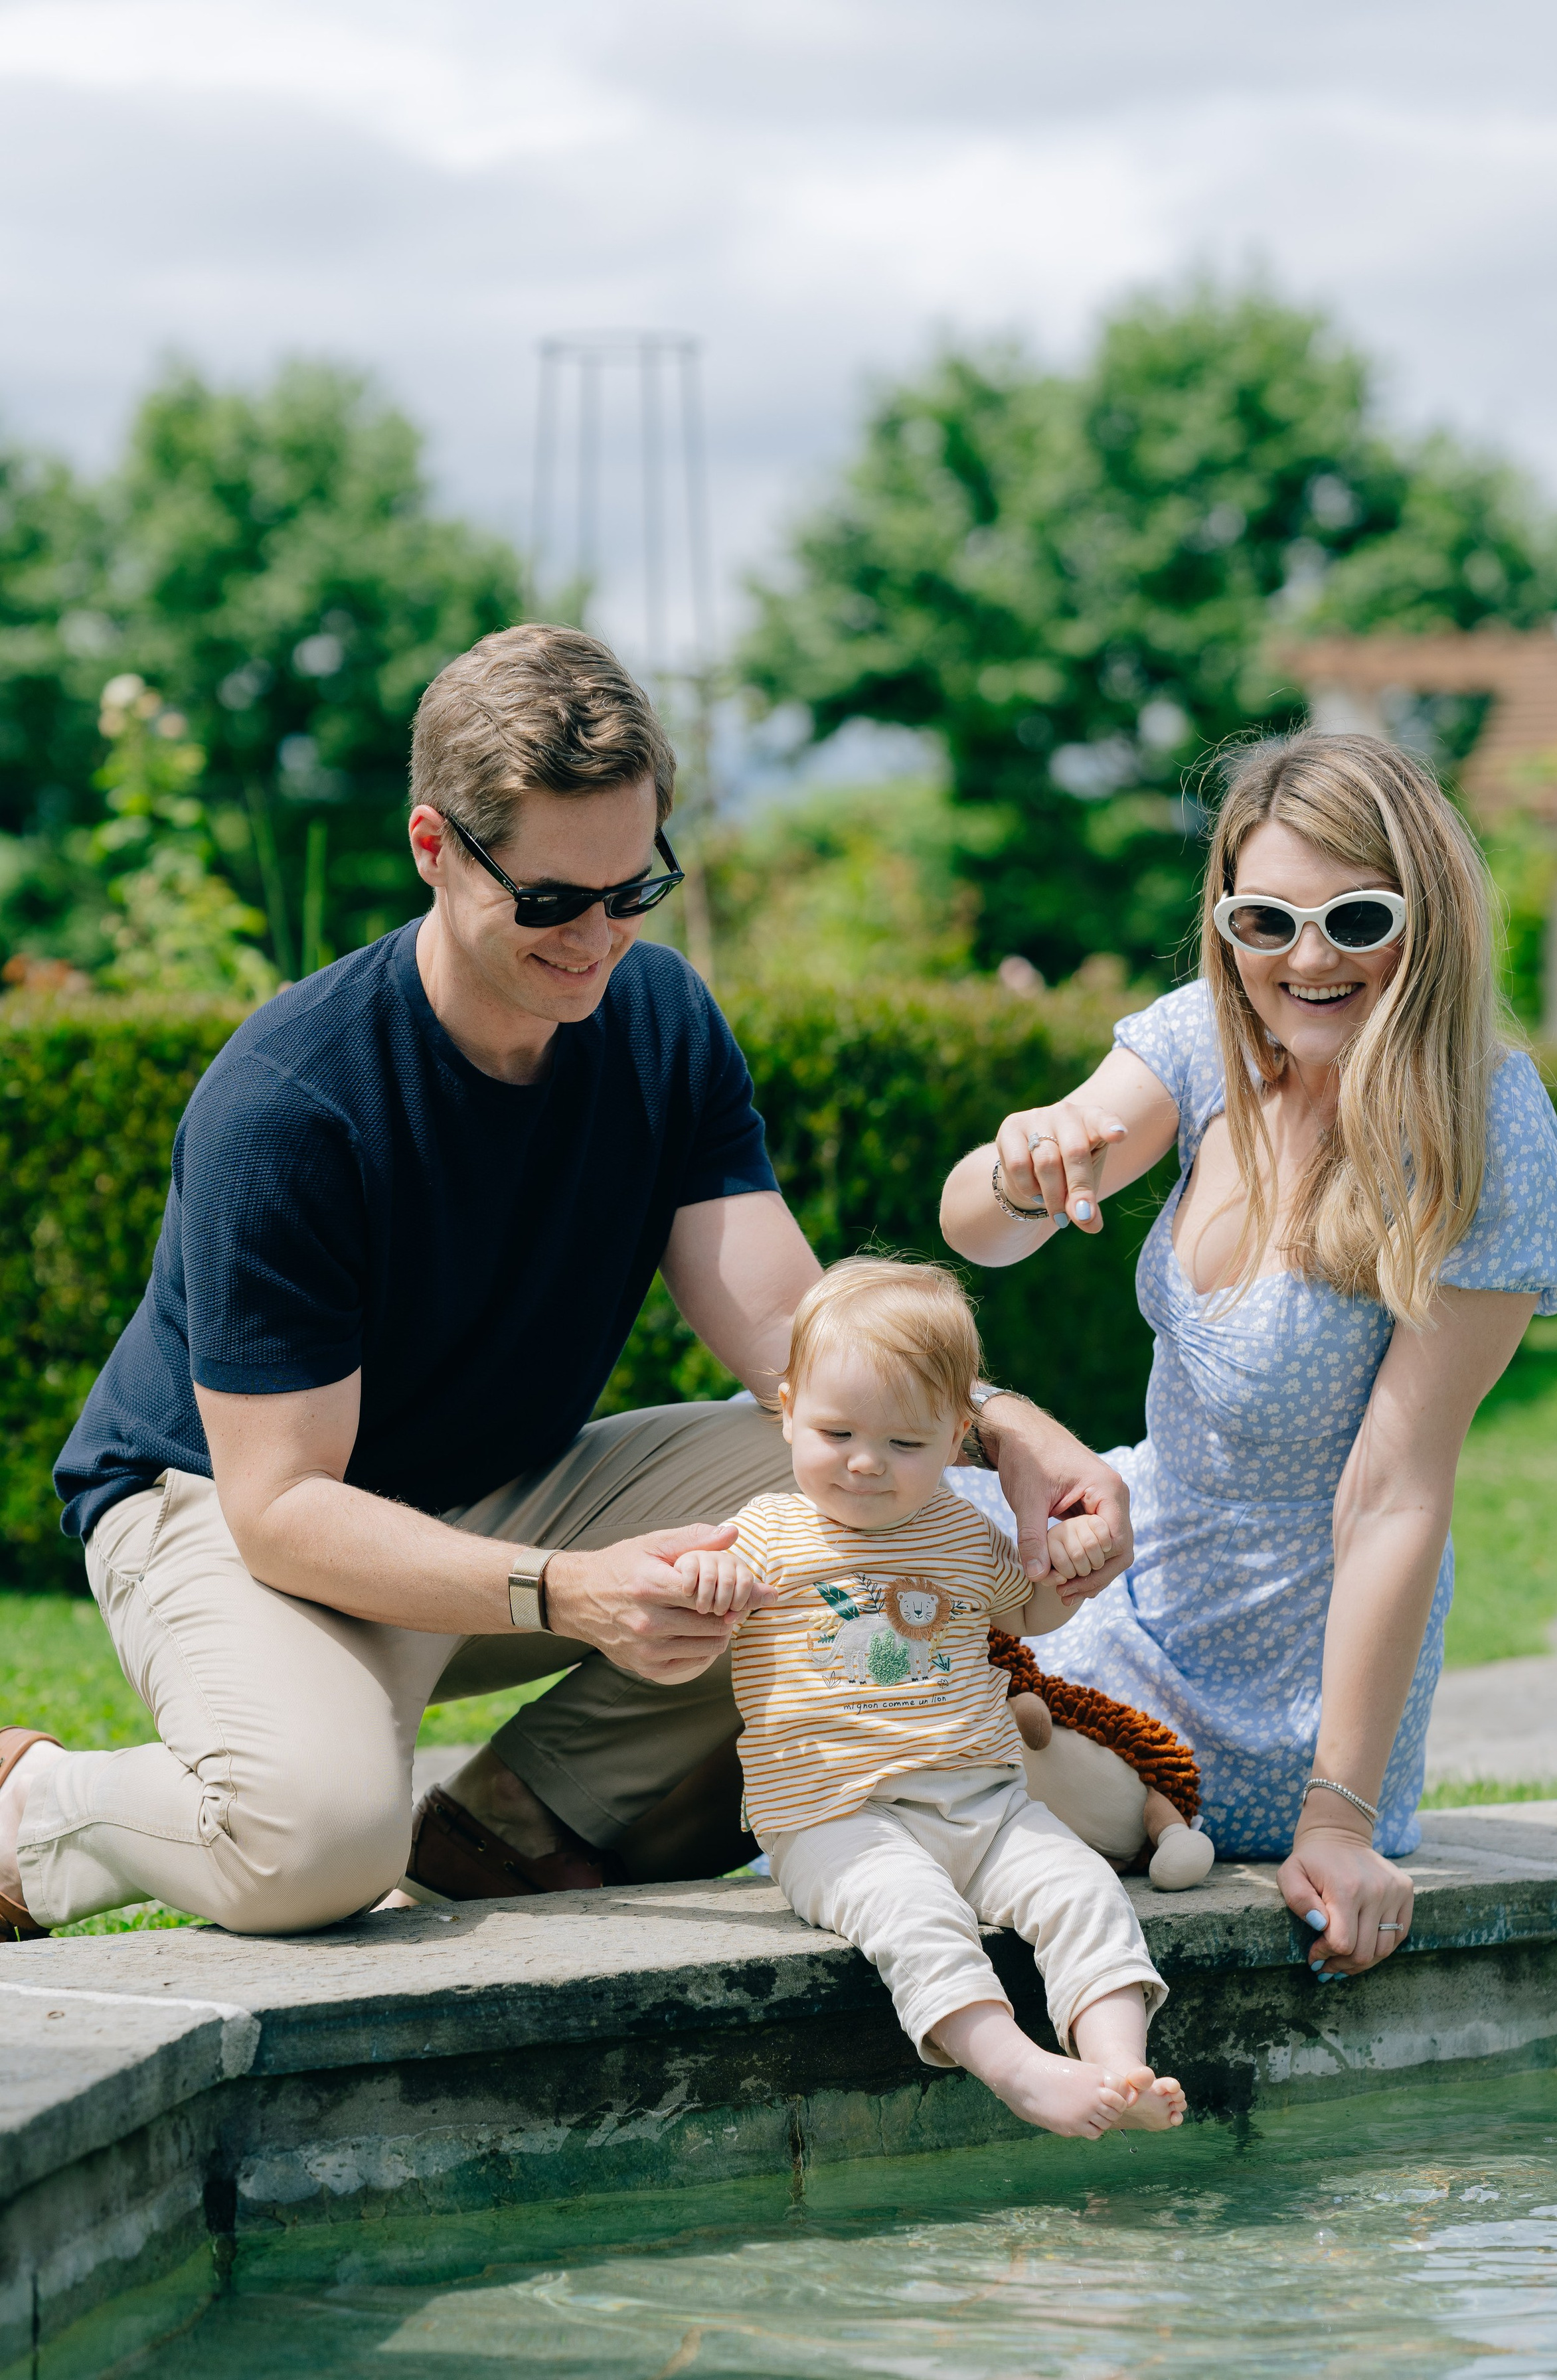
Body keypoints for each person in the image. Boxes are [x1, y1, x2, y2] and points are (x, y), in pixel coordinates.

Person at [0, 624, 1133, 1944]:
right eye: (549, 900)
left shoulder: (660, 1021)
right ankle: (33, 1808)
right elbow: (282, 1508)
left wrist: (1000, 1428)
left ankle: (512, 1830)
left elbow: (791, 1340)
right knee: (313, 1841)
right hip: (227, 1507)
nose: (597, 937)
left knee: (841, 1493)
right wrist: (565, 1589)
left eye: (631, 888)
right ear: (434, 848)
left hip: (494, 1493)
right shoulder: (290, 1105)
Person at [940, 731, 1557, 1984]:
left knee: (937, 1734)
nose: (1310, 957)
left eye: (1357, 918)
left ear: (1429, 917)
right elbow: (982, 1232)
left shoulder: (1486, 1123)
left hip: (1286, 1675)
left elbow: (1394, 1494)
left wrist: (1337, 1819)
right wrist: (1024, 1163)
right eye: (1267, 920)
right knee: (812, 1476)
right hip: (1130, 1572)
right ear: (1226, 918)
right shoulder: (1208, 1039)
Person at [686, 1255, 1185, 2140]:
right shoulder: (763, 1534)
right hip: (836, 1817)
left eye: (905, 1445)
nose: (866, 1463)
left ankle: (1120, 2064)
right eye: (837, 1432)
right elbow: (694, 1613)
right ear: (788, 1408)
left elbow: (1028, 1611)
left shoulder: (962, 1531)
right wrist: (708, 1581)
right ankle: (1017, 2068)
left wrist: (1068, 1568)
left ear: (958, 1438)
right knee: (914, 1916)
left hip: (984, 1802)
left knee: (1082, 1887)